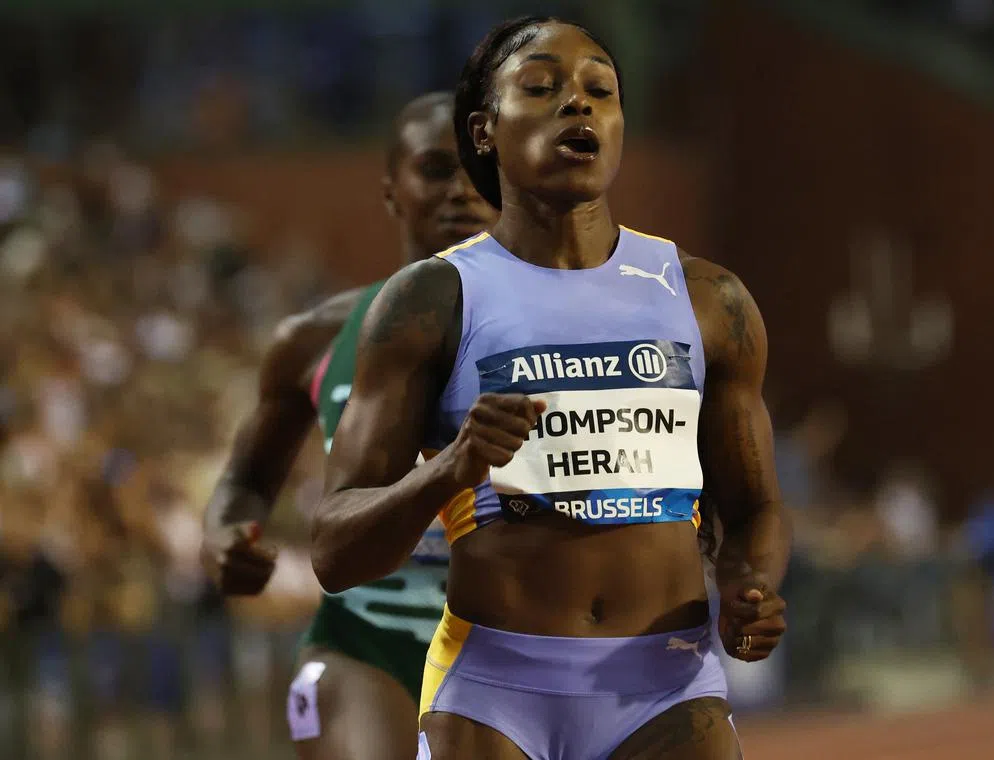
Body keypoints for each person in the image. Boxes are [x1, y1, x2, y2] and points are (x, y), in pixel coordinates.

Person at [312, 17, 790, 760]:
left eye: (600, 91)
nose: (579, 104)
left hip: (667, 685)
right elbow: (334, 549)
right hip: (495, 692)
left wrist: (748, 585)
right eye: (541, 88)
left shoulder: (708, 301)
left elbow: (754, 506)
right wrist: (450, 467)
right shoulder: (429, 302)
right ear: (484, 130)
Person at [200, 91, 496, 760]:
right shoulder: (316, 338)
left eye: (481, 169)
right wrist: (223, 534)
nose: (461, 191)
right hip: (367, 644)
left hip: (518, 644)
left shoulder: (570, 333)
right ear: (392, 189)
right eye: (435, 168)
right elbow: (245, 482)